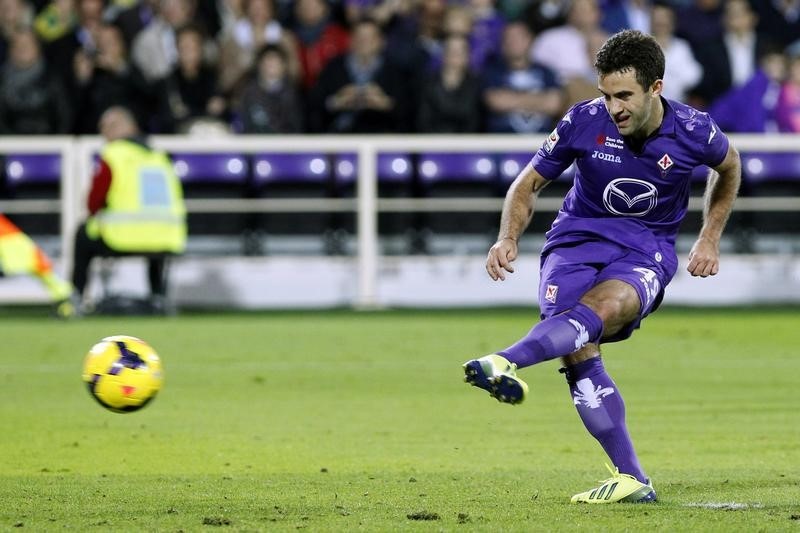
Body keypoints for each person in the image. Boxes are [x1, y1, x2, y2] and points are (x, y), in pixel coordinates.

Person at [463, 29, 741, 504]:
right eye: (607, 95)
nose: (615, 108)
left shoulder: (695, 130)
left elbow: (730, 166)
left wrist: (709, 238)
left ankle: (503, 360)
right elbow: (527, 184)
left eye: (625, 95)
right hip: (573, 244)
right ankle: (631, 479)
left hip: (645, 249)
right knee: (576, 344)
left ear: (656, 87)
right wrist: (507, 237)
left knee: (608, 303)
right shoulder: (583, 121)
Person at [71, 106, 186, 312]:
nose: (103, 133)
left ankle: (76, 298)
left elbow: (93, 202)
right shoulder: (158, 157)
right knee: (154, 248)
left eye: (106, 127)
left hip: (122, 236)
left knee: (82, 234)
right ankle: (158, 296)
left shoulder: (114, 155)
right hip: (164, 237)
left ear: (123, 127)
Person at [0, 214, 75, 317]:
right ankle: (67, 300)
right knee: (44, 271)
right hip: (14, 245)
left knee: (43, 271)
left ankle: (67, 301)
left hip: (13, 246)